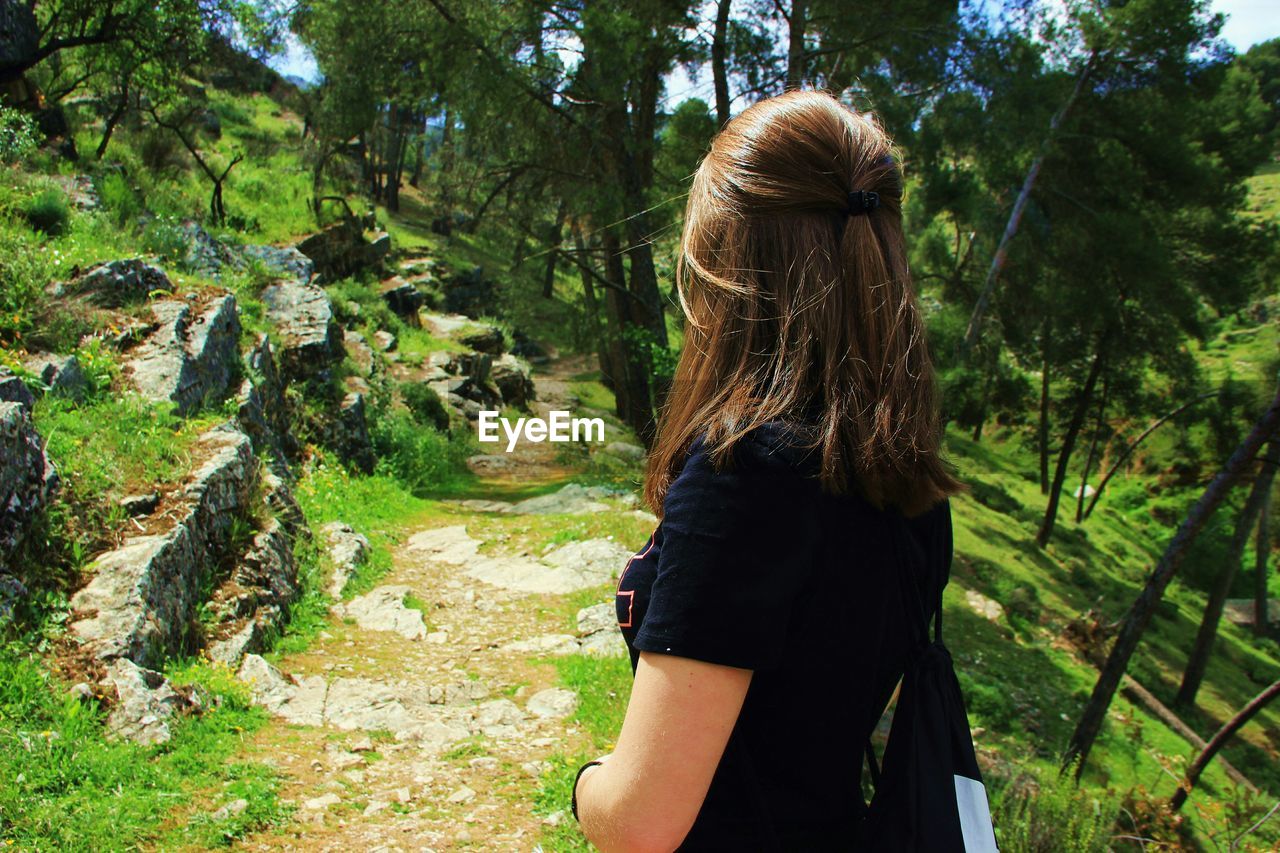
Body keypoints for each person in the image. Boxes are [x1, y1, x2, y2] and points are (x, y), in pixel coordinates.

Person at [571, 89, 968, 852]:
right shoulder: (910, 486)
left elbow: (641, 822)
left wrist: (587, 781)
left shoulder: (746, 478)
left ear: (732, 269)